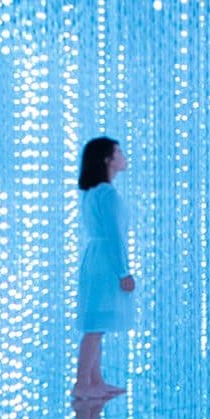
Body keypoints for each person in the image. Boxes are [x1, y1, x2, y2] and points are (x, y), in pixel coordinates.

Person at [73, 137, 135, 402]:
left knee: (96, 323)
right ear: (107, 160)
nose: (123, 156)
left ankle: (95, 380)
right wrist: (124, 272)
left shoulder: (93, 192)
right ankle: (82, 383)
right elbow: (114, 236)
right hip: (106, 262)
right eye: (118, 152)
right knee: (95, 326)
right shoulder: (107, 194)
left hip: (95, 258)